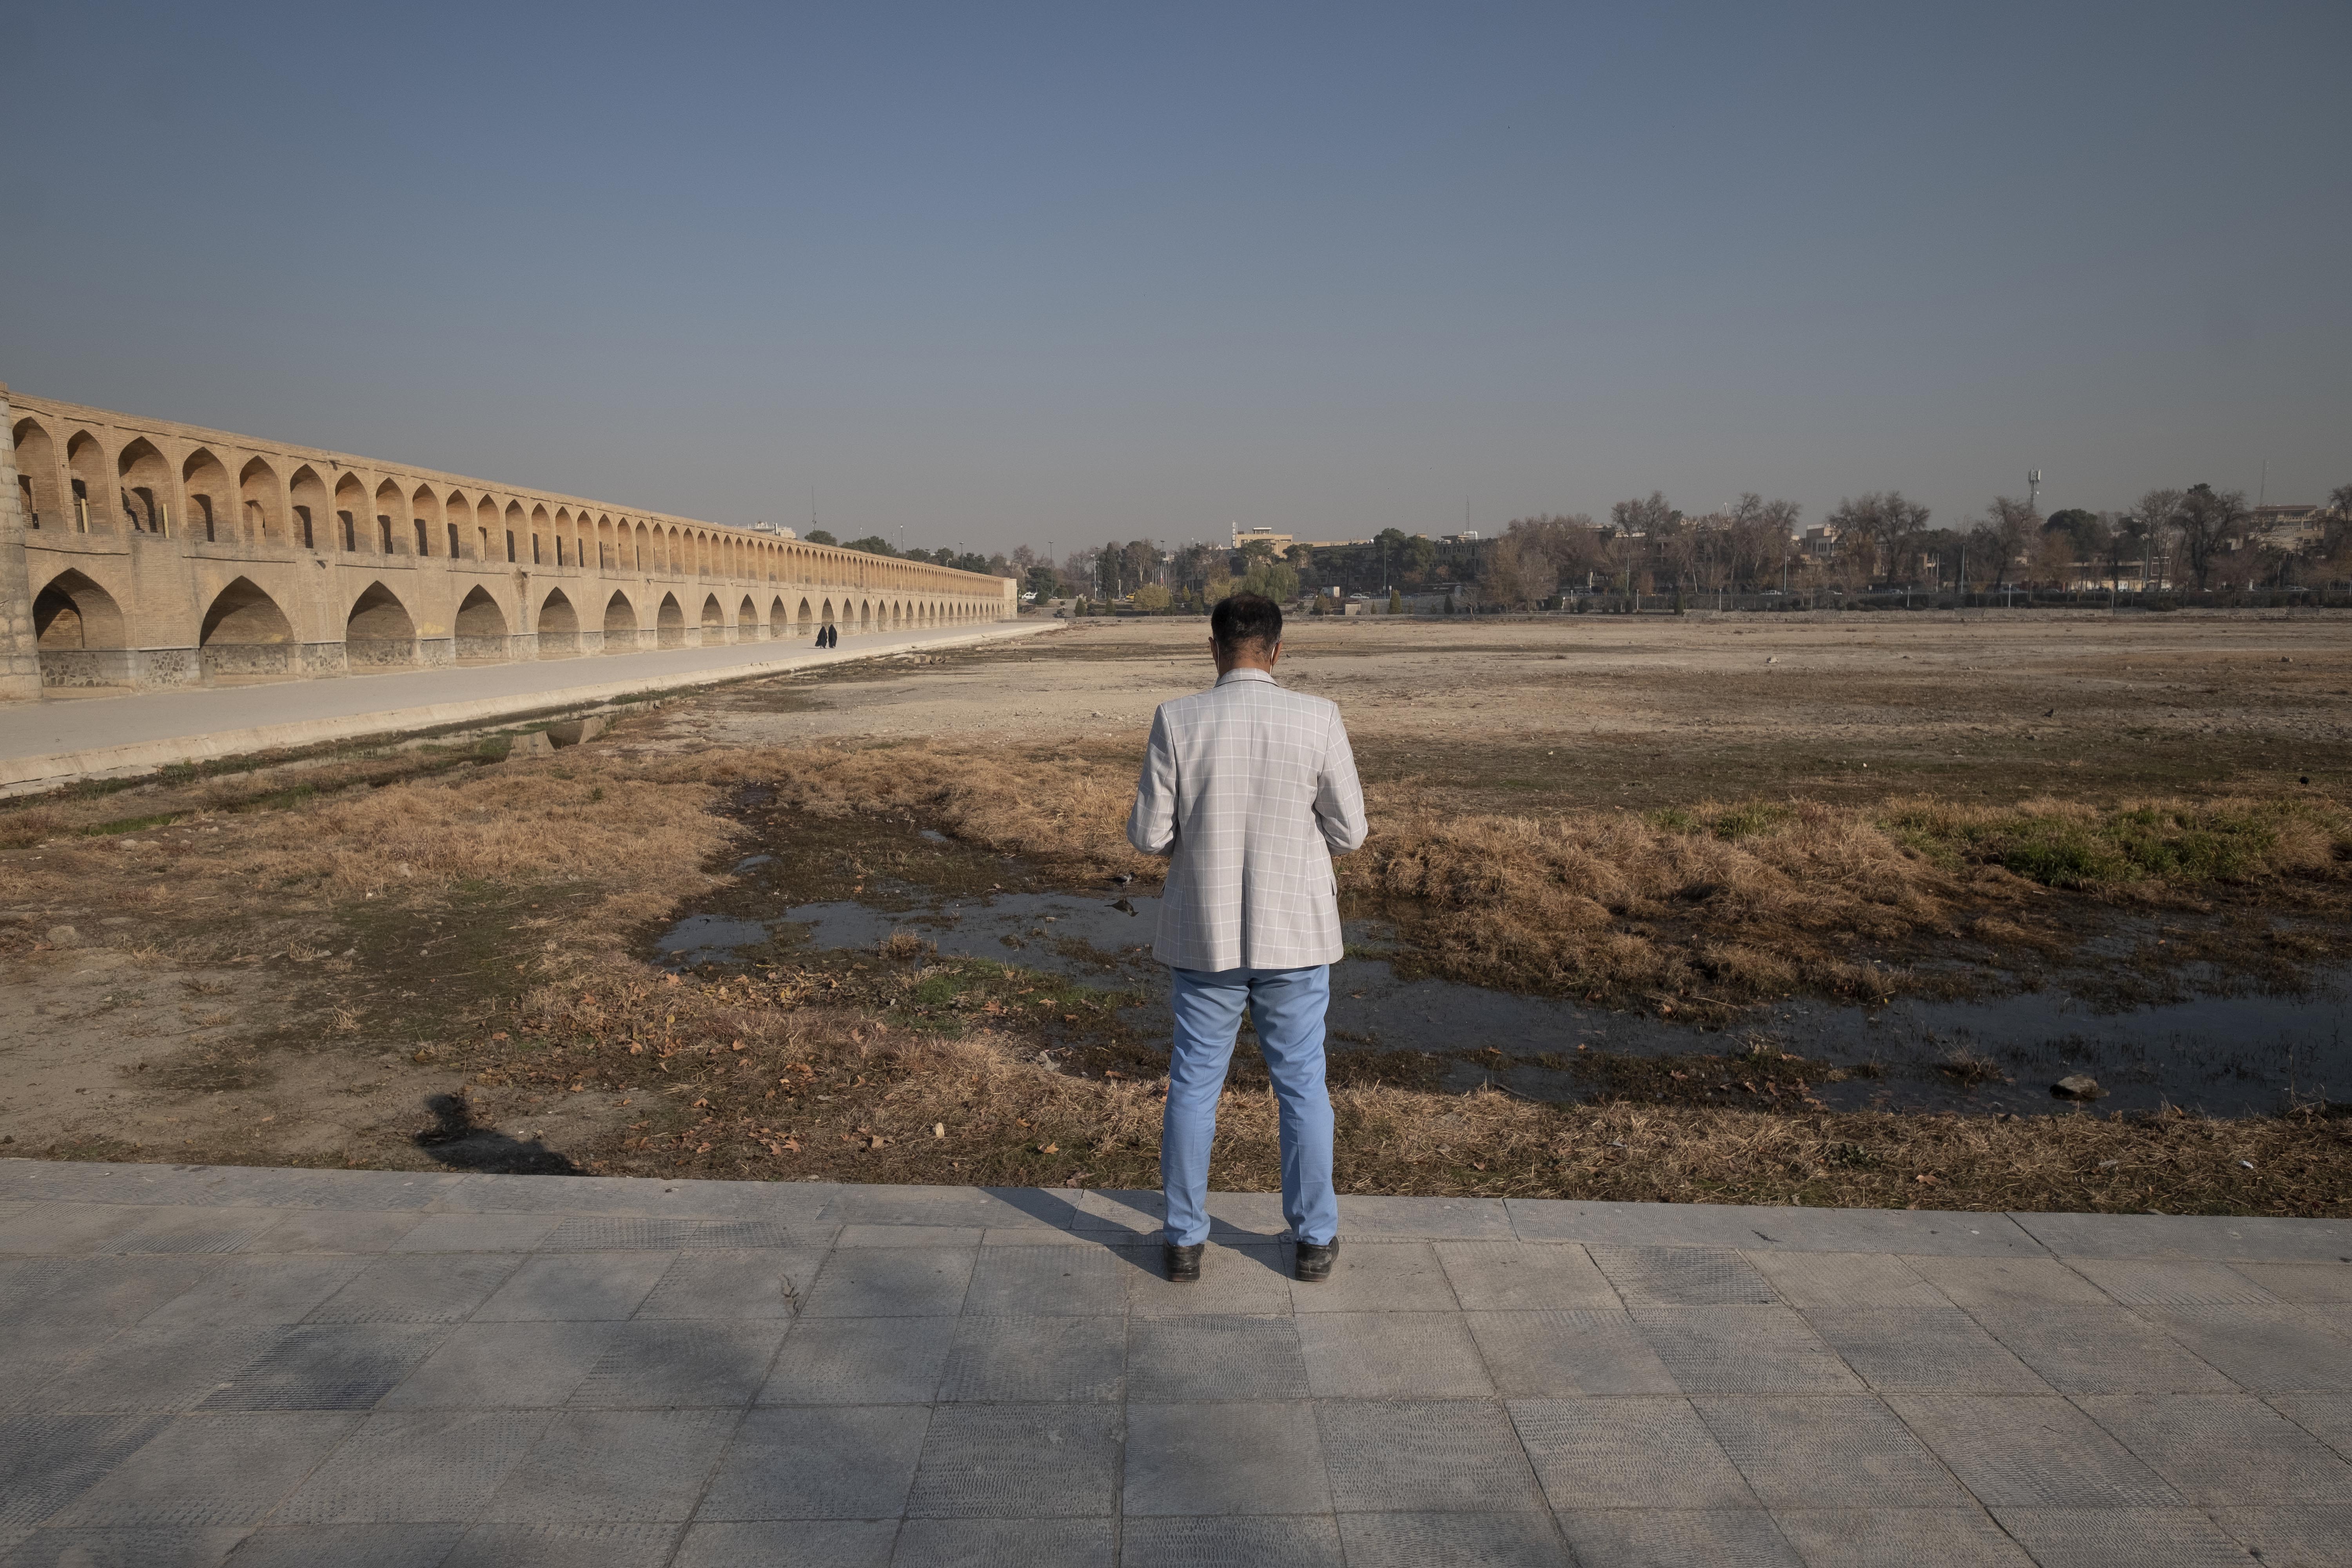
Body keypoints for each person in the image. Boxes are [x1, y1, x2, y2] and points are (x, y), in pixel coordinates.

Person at [1126, 592, 1367, 1283]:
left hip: (1205, 936)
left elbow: (1148, 835)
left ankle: (1183, 1241)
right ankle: (1315, 1239)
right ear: (1278, 651)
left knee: (1195, 1087)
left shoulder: (1178, 719)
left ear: (1214, 648)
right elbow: (1350, 832)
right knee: (1303, 1089)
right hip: (1295, 935)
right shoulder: (1318, 717)